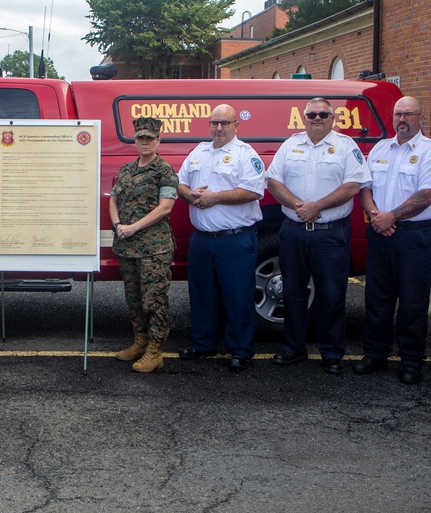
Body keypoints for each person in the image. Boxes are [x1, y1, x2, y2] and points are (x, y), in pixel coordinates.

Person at [266, 97, 371, 374]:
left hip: (330, 234)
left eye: (323, 114)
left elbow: (353, 185)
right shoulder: (290, 145)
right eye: (312, 114)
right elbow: (273, 181)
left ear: (332, 118)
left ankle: (332, 353)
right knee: (293, 294)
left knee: (332, 295)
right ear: (304, 117)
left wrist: (317, 207)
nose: (317, 118)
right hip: (294, 232)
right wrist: (299, 206)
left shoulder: (347, 146)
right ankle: (294, 349)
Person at [355, 96, 431, 384]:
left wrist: (390, 217)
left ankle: (411, 361)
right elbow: (365, 186)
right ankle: (375, 354)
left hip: (415, 236)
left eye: (408, 114)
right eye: (398, 114)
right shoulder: (381, 148)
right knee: (377, 298)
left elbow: (427, 195)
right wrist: (375, 215)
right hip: (381, 232)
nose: (402, 119)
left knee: (412, 301)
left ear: (421, 118)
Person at [176, 104, 265, 371]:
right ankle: (204, 344)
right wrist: (188, 194)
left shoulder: (245, 155)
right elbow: (180, 182)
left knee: (237, 296)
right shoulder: (198, 152)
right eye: (215, 123)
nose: (219, 128)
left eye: (225, 123)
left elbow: (253, 190)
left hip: (234, 239)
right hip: (202, 239)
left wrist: (215, 197)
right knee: (202, 294)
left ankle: (240, 350)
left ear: (236, 125)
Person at [109, 117, 179, 373]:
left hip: (154, 248)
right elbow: (113, 199)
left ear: (158, 140)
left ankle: (155, 351)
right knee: (134, 299)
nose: (145, 142)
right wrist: (117, 225)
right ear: (135, 140)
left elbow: (166, 207)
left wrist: (134, 227)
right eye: (141, 138)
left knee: (154, 301)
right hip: (127, 246)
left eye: (150, 138)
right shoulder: (127, 169)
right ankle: (140, 341)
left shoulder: (164, 171)